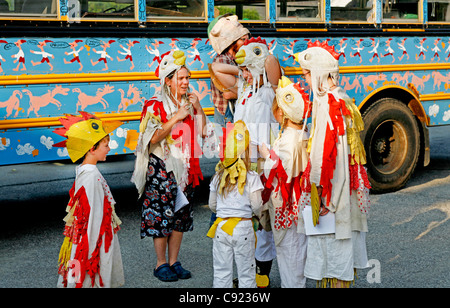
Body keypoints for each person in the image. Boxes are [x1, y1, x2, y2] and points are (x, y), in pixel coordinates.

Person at [294, 40, 371, 288]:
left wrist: (322, 196)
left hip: (333, 192)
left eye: (306, 73)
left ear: (317, 72)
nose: (305, 79)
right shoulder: (341, 97)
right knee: (340, 258)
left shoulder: (328, 103)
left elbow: (325, 156)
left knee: (332, 258)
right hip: (344, 190)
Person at [211, 37, 281, 287]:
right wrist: (242, 65)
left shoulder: (268, 91)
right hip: (240, 163)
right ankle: (247, 272)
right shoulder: (242, 89)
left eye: (247, 70)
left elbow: (272, 65)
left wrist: (257, 59)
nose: (244, 74)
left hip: (261, 162)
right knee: (246, 219)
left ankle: (262, 273)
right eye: (242, 70)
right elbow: (217, 68)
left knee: (263, 219)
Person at [131, 50, 206, 282]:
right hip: (162, 169)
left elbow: (203, 131)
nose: (185, 82)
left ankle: (174, 261)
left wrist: (199, 106)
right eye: (180, 78)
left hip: (185, 168)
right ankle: (160, 263)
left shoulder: (189, 103)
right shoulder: (154, 105)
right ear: (167, 80)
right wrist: (176, 117)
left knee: (180, 217)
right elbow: (152, 139)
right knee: (161, 217)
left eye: (187, 78)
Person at [53, 111, 124, 288]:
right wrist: (92, 249)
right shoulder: (91, 176)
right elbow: (93, 215)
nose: (109, 148)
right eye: (105, 145)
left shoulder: (85, 170)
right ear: (92, 149)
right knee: (88, 274)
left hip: (89, 235)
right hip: (93, 237)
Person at [259, 76, 311, 288]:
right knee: (300, 253)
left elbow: (282, 172)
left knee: (290, 255)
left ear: (281, 113)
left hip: (287, 206)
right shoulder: (304, 133)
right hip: (302, 204)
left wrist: (267, 156)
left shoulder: (287, 140)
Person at [207, 120, 263, 288]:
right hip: (243, 227)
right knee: (247, 272)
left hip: (221, 227)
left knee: (221, 272)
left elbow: (212, 205)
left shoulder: (218, 176)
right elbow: (257, 204)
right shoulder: (252, 177)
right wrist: (255, 215)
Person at [207, 13, 250, 127]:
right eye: (243, 40)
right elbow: (227, 94)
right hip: (226, 116)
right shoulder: (221, 60)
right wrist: (250, 92)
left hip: (236, 112)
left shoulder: (239, 60)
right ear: (233, 41)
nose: (247, 43)